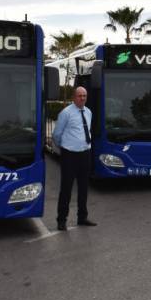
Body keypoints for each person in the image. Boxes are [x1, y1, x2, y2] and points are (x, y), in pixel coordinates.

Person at [52, 87, 96, 231]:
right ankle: (61, 220)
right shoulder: (66, 113)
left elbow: (87, 130)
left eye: (85, 95)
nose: (82, 98)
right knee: (66, 188)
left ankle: (82, 217)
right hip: (70, 155)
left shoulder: (88, 112)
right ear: (74, 97)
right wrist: (64, 147)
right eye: (79, 96)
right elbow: (57, 134)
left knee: (83, 188)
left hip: (85, 154)